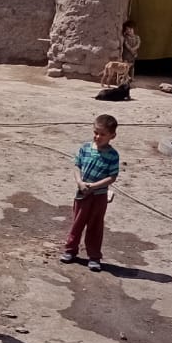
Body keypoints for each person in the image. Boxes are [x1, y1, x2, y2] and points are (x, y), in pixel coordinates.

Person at [60, 114, 120, 272]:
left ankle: (94, 257)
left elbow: (112, 177)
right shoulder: (85, 148)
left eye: (102, 134)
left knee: (95, 225)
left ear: (112, 136)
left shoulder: (113, 155)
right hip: (82, 193)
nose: (98, 136)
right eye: (95, 132)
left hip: (99, 196)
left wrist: (94, 186)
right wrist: (80, 182)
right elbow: (76, 166)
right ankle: (70, 250)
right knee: (77, 222)